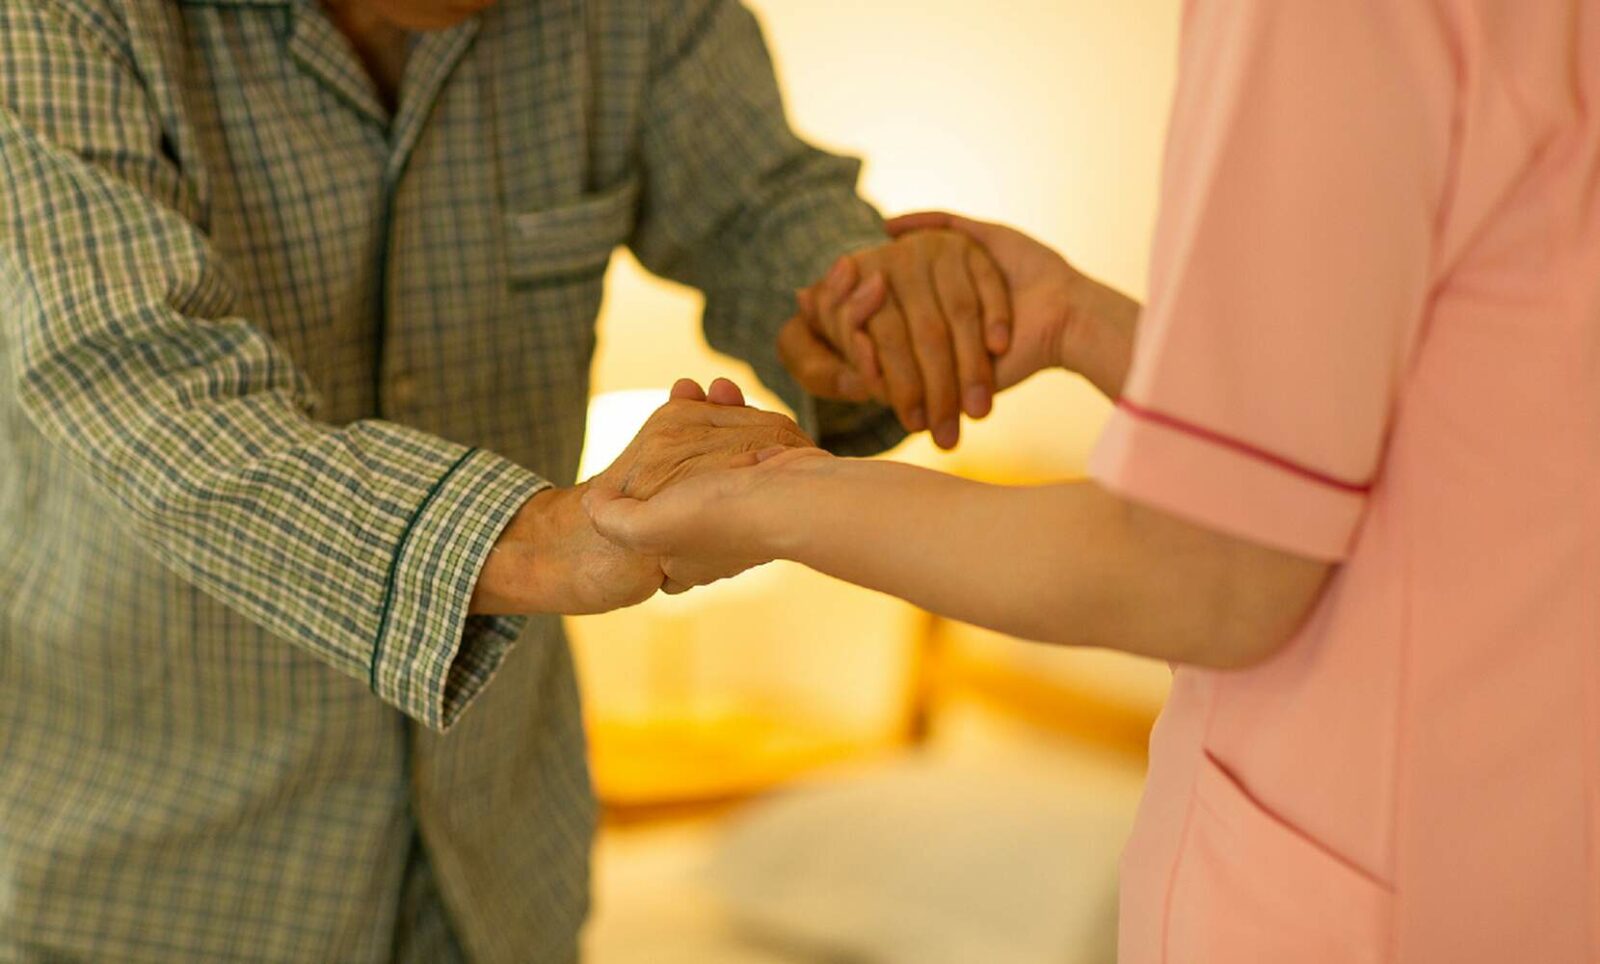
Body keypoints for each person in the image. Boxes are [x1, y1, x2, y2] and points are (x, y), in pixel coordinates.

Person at [0, 0, 1016, 959]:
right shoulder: (70, 22)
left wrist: (867, 306)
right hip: (140, 886)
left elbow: (761, 208)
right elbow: (156, 396)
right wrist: (546, 538)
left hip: (497, 883)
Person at [586, 1, 1600, 960]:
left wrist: (768, 495)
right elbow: (1456, 441)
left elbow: (1208, 575)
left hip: (1390, 874)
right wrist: (1081, 322)